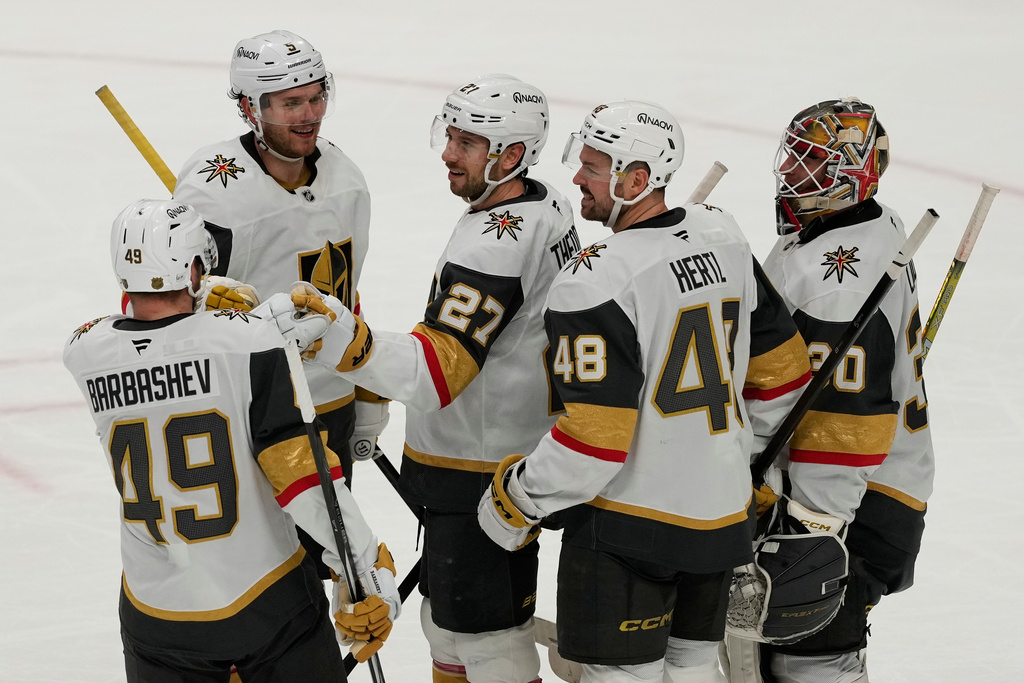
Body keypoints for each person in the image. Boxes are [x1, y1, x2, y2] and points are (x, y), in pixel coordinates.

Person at [473, 100, 813, 683]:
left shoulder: (594, 277)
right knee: (693, 671)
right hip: (720, 520)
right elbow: (785, 376)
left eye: (592, 168)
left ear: (635, 180)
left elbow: (593, 443)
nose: (577, 179)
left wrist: (519, 498)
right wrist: (730, 461)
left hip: (629, 530)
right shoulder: (723, 234)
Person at [260, 73, 579, 683]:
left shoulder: (494, 248)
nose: (448, 153)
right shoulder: (545, 204)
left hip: (478, 468)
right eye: (448, 136)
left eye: (467, 143)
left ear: (512, 153)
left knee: (488, 643)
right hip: (504, 448)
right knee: (452, 631)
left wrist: (341, 340)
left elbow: (437, 373)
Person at [63, 199, 400, 682]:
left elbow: (155, 339)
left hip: (156, 616)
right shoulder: (249, 342)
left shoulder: (85, 351)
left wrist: (226, 313)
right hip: (266, 604)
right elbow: (301, 476)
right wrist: (361, 565)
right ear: (192, 269)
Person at [757, 98, 934, 683]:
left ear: (850, 174)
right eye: (792, 157)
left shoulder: (840, 287)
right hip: (872, 480)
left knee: (810, 665)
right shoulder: (869, 225)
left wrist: (812, 530)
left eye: (810, 162)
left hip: (848, 503)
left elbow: (844, 423)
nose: (791, 172)